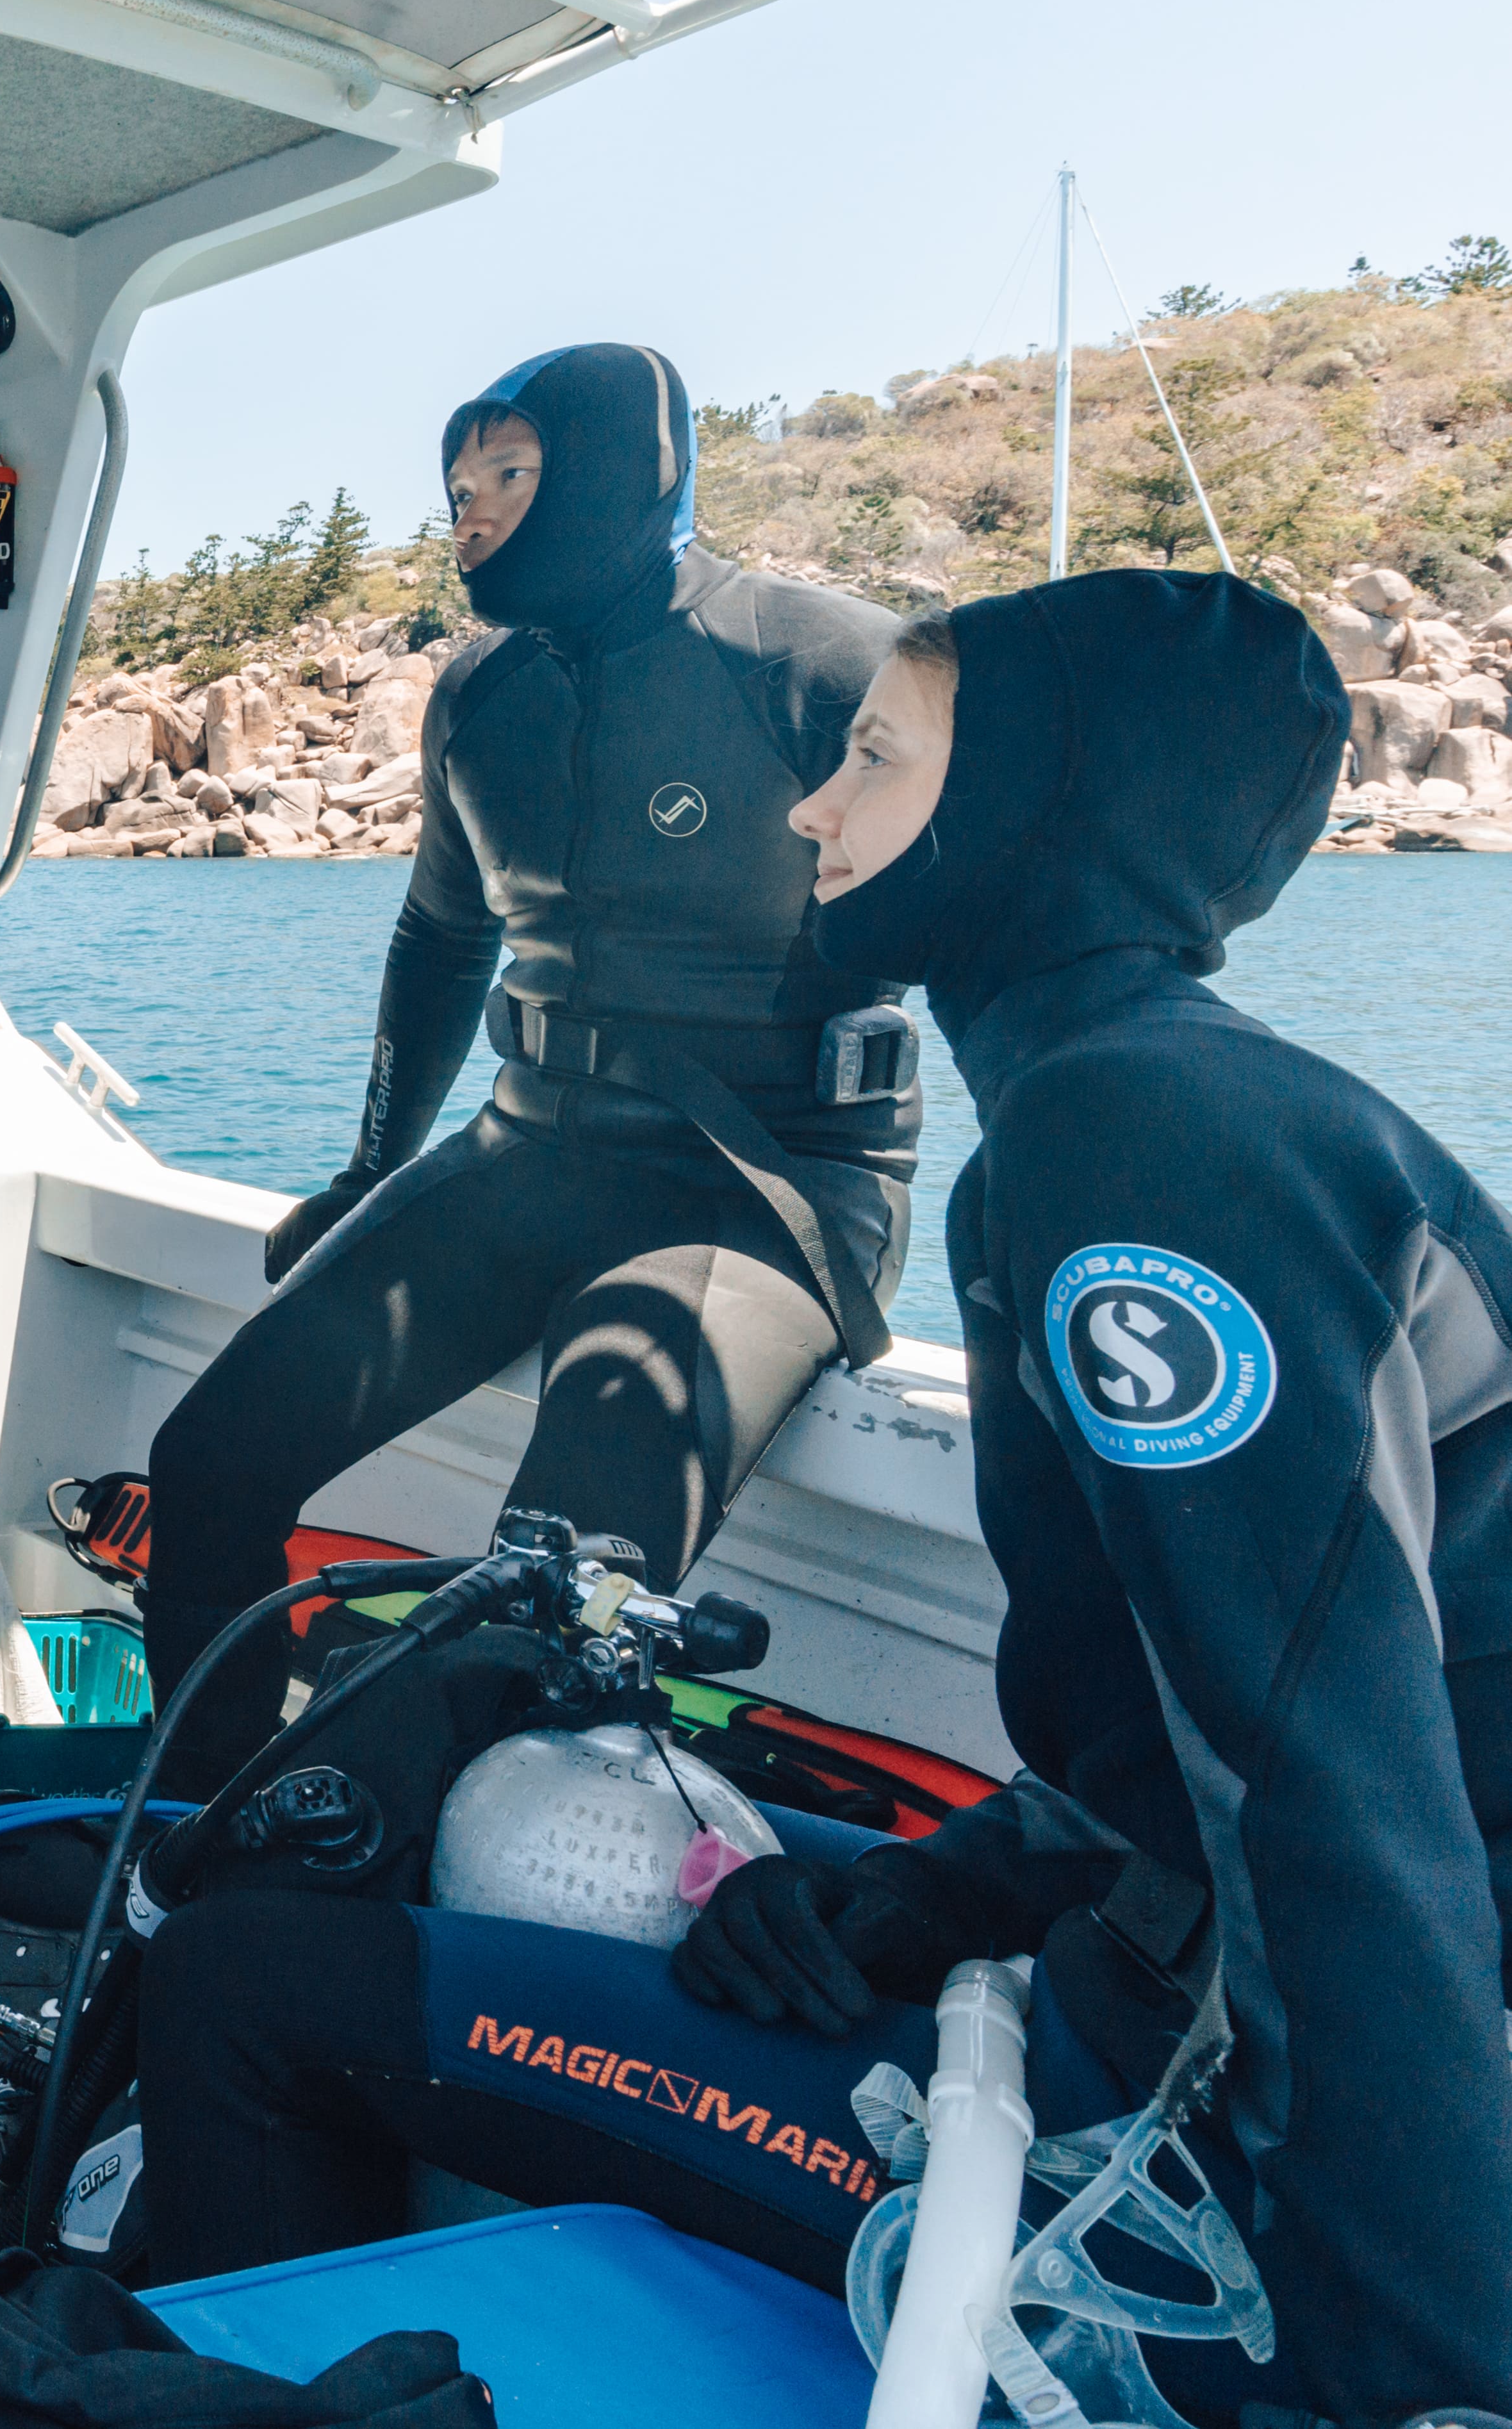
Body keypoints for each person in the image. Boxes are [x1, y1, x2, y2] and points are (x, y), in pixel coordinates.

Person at [145, 570, 1512, 2428]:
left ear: (1034, 806)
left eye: (873, 758)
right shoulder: (1152, 1104)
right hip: (1136, 1968)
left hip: (1266, 2149)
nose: (811, 806)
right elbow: (1191, 1729)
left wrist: (1414, 2376)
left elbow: (1336, 1799)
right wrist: (912, 1905)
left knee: (240, 1987)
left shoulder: (1147, 1143)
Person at [138, 345, 914, 1788]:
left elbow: (991, 923)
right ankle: (189, 1839)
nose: (468, 513)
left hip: (758, 1189)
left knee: (541, 1586)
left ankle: (389, 1933)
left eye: (508, 473)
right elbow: (437, 941)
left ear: (634, 468)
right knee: (205, 1462)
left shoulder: (814, 664)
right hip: (525, 1152)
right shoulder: (478, 693)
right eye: (453, 486)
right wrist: (370, 1170)